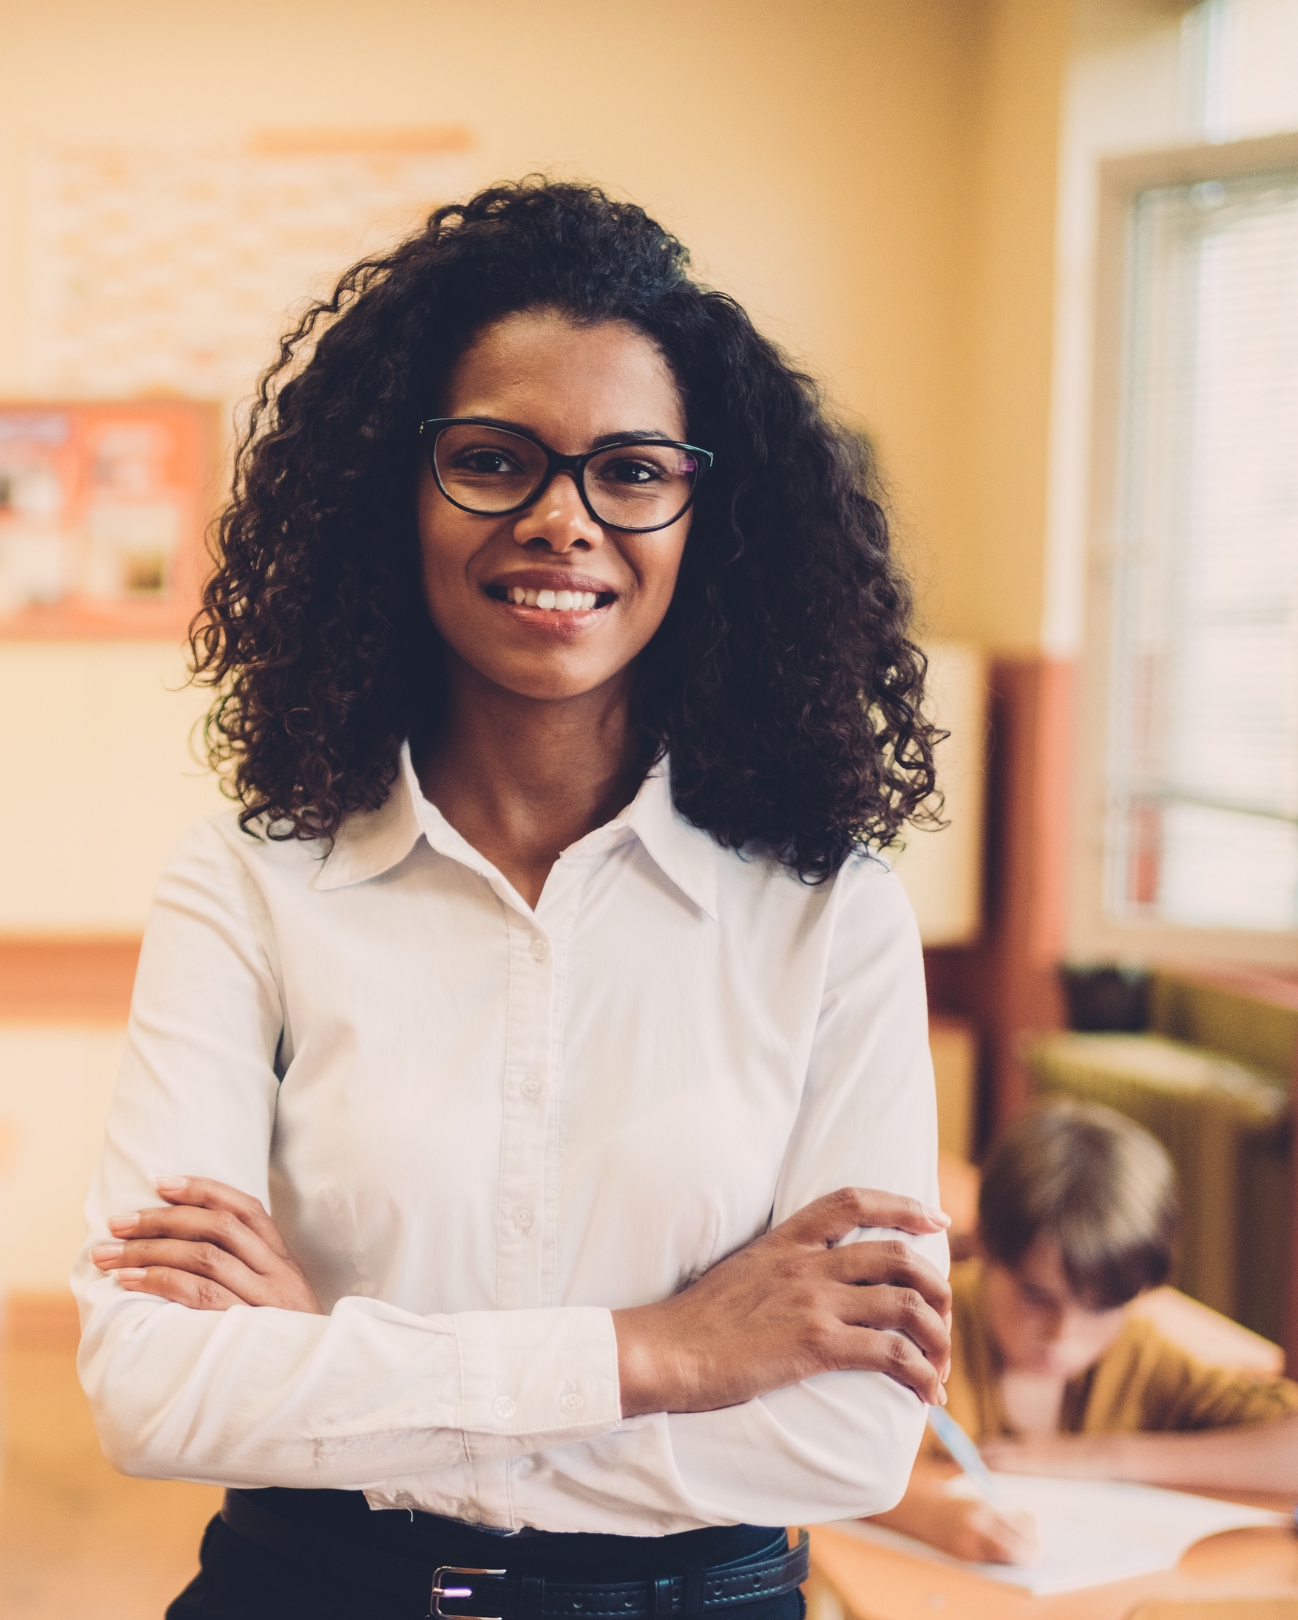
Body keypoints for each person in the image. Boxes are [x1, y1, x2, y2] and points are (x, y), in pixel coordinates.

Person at [76, 181, 956, 1619]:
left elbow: (846, 1438)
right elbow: (155, 1392)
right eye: (495, 459)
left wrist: (337, 1374)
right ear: (395, 494)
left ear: (703, 514)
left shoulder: (831, 915)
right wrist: (666, 1354)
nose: (563, 520)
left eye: (632, 470)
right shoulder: (251, 879)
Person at [870, 1101, 1298, 1564]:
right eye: (1036, 1296)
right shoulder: (917, 1332)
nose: (1063, 1335)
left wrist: (1109, 1458)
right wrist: (933, 1517)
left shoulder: (1142, 1359)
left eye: (1102, 1307)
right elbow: (827, 1457)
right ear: (987, 1248)